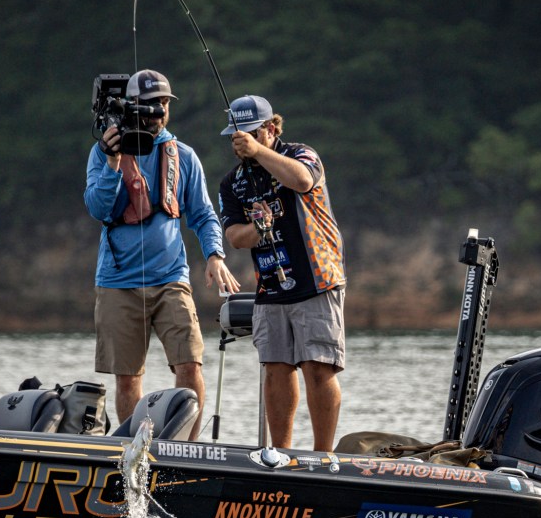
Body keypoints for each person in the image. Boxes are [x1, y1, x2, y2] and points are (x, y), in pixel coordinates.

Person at [84, 69, 239, 441]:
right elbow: (98, 208)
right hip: (118, 282)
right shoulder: (103, 151)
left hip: (171, 278)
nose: (159, 111)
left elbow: (203, 214)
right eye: (152, 104)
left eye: (165, 103)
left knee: (190, 364)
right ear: (132, 106)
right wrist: (112, 162)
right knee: (128, 377)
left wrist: (214, 255)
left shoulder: (183, 155)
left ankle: (187, 446)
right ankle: (133, 447)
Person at [217, 95, 346, 451]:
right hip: (271, 285)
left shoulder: (301, 154)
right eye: (236, 135)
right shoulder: (232, 183)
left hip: (318, 278)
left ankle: (323, 456)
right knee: (275, 368)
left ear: (271, 128)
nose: (241, 142)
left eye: (251, 133)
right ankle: (281, 453)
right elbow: (236, 238)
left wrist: (259, 151)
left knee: (318, 366)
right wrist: (260, 227)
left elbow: (302, 181)